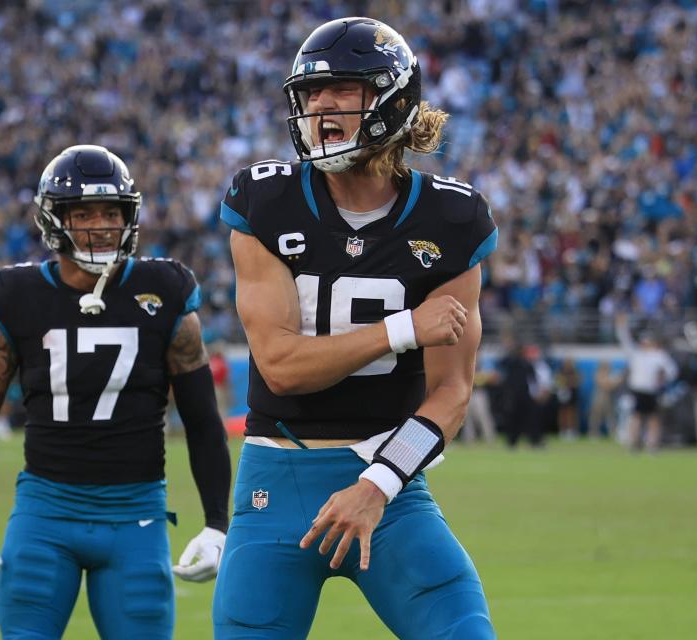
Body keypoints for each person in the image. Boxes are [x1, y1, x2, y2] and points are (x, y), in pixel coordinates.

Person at [213, 18, 497, 639]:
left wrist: (378, 482)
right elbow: (281, 367)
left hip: (389, 483)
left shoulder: (453, 217)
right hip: (275, 484)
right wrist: (403, 330)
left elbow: (452, 394)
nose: (320, 105)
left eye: (341, 89)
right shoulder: (266, 200)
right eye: (311, 93)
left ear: (391, 100)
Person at [0, 145, 232, 639]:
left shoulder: (164, 290)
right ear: (54, 219)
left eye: (110, 212)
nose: (100, 225)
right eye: (83, 212)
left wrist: (216, 524)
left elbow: (204, 420)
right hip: (45, 515)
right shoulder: (17, 296)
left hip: (136, 517)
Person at [616, 313, 678, 452]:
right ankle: (634, 444)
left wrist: (663, 378)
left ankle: (652, 444)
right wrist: (621, 326)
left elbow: (672, 371)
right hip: (638, 390)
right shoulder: (637, 354)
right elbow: (625, 341)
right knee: (636, 417)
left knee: (653, 419)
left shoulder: (659, 355)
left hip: (652, 390)